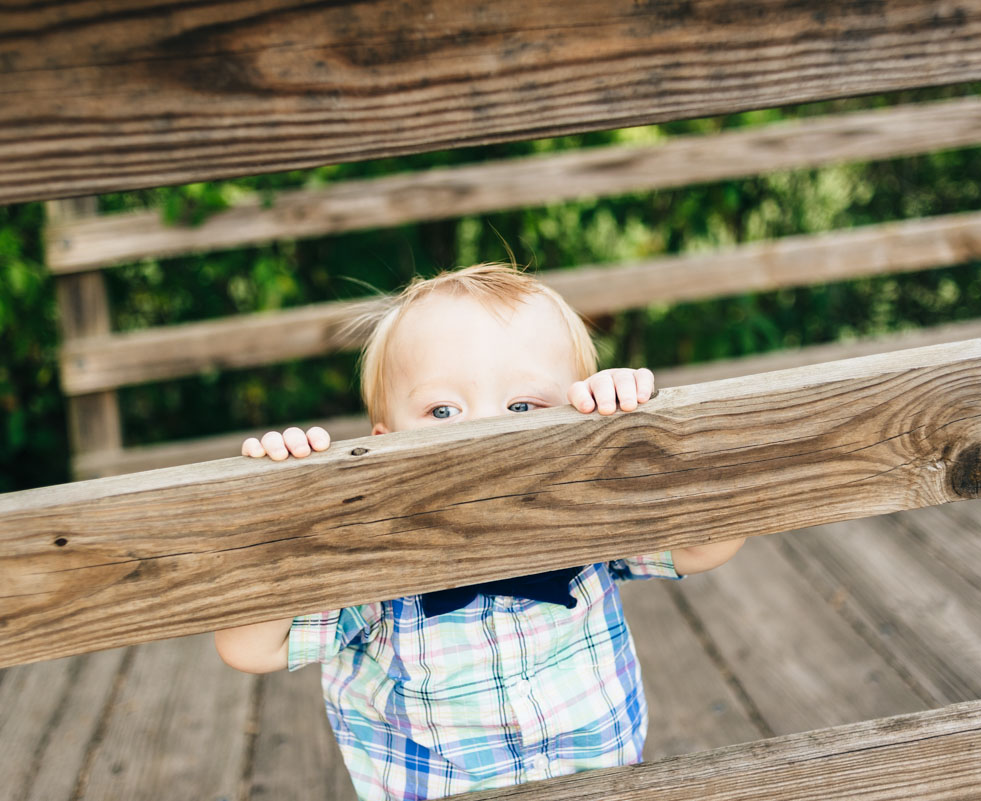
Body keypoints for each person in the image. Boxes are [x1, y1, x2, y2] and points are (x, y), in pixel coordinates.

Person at [214, 263, 745, 801]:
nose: (485, 433)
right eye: (443, 410)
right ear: (383, 439)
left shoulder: (587, 515)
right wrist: (286, 512)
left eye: (522, 406)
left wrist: (635, 428)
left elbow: (707, 544)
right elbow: (250, 648)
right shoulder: (374, 560)